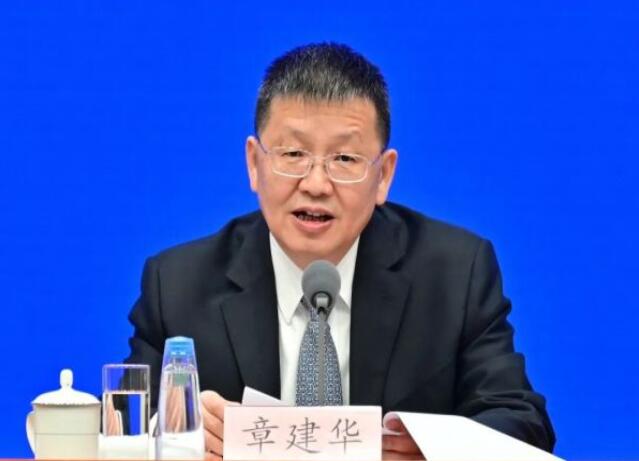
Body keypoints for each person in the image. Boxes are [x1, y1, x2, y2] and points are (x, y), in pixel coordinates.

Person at [125, 42, 555, 460]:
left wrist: (433, 448)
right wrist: (175, 435)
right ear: (254, 164)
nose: (316, 184)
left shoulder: (454, 274)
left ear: (383, 176)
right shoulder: (178, 285)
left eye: (345, 159)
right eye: (293, 154)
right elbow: (130, 429)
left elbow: (521, 422)